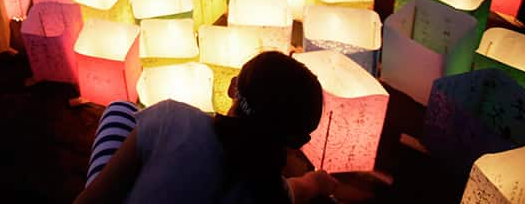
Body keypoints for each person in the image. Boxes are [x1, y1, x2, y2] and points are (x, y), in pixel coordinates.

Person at [75, 51, 341, 203]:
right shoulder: (272, 192)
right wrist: (316, 182)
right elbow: (297, 190)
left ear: (232, 87)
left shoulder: (172, 117)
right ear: (298, 142)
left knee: (122, 111)